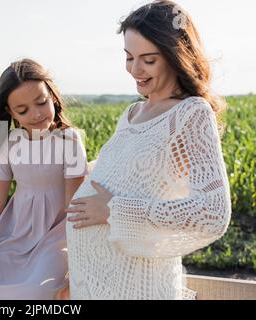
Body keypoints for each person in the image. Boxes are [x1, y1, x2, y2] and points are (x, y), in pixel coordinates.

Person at [63, 0, 232, 299]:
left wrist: (114, 211)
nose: (135, 69)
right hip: (95, 284)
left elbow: (212, 212)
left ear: (174, 56)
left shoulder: (189, 115)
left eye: (148, 59)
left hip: (137, 287)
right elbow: (126, 174)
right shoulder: (131, 115)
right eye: (129, 57)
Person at [0, 58, 88, 299]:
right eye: (23, 110)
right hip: (15, 233)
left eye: (41, 102)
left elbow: (74, 204)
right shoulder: (11, 143)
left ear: (52, 96)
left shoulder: (68, 140)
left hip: (56, 235)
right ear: (10, 112)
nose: (37, 114)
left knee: (36, 291)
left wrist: (81, 259)